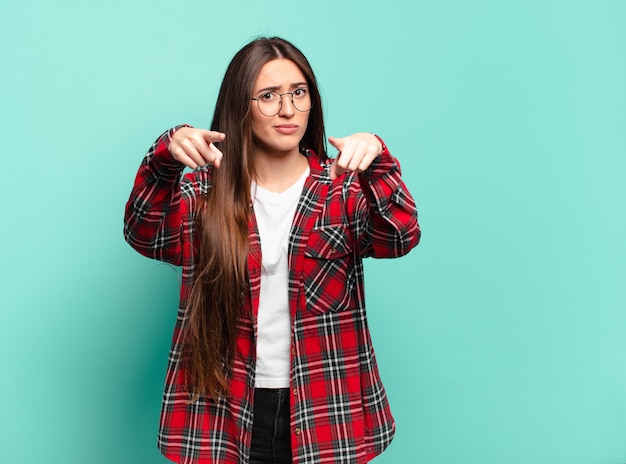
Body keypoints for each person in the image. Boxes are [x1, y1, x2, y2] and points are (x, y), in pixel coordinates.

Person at [124, 36, 420, 464]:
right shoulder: (201, 194)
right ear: (240, 106)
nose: (287, 110)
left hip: (325, 408)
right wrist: (165, 158)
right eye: (268, 96)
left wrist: (379, 166)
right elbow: (142, 232)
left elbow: (401, 237)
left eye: (298, 93)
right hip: (224, 410)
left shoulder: (343, 190)